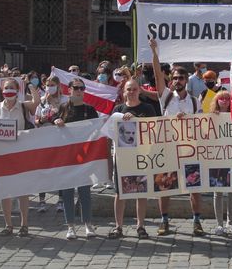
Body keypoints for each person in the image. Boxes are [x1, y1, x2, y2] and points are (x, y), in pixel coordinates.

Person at [150, 38, 204, 236]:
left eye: (182, 78)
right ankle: (164, 221)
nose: (178, 81)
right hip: (168, 148)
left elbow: (202, 125)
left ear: (186, 80)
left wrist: (188, 119)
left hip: (189, 149)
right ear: (171, 80)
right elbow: (157, 75)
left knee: (194, 186)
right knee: (165, 185)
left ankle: (197, 221)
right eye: (175, 78)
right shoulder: (166, 96)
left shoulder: (195, 101)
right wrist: (155, 52)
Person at [109, 79, 157, 239]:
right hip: (122, 157)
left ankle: (140, 226)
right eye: (129, 89)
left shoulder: (148, 108)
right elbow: (111, 132)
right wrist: (123, 117)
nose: (131, 92)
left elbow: (153, 129)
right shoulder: (117, 110)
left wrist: (135, 118)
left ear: (139, 91)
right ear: (124, 92)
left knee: (141, 191)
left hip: (142, 156)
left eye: (134, 89)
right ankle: (118, 227)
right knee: (120, 192)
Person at [54, 77, 100, 240]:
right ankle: (70, 226)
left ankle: (87, 224)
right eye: (76, 88)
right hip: (67, 156)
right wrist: (57, 121)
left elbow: (97, 131)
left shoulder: (90, 109)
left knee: (84, 191)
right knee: (67, 191)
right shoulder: (63, 108)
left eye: (82, 88)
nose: (79, 91)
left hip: (84, 156)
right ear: (69, 90)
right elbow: (54, 130)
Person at [0, 79, 37, 237]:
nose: (9, 90)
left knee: (22, 190)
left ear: (18, 90)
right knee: (5, 191)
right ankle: (8, 224)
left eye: (12, 87)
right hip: (3, 155)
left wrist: (30, 85)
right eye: (6, 88)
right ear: (1, 90)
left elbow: (36, 102)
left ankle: (24, 224)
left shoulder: (23, 106)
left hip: (21, 153)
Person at [209, 90, 232, 235]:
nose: (224, 101)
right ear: (216, 100)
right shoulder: (211, 117)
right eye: (221, 98)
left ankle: (231, 222)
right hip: (217, 157)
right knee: (218, 192)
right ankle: (219, 224)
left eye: (227, 98)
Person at [34, 75, 66, 212]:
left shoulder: (65, 100)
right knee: (43, 171)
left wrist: (53, 105)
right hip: (44, 139)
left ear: (58, 86)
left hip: (59, 139)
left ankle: (61, 200)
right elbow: (35, 120)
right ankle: (42, 201)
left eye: (52, 84)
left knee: (60, 171)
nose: (49, 87)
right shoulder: (42, 101)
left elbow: (65, 117)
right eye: (47, 85)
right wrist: (40, 120)